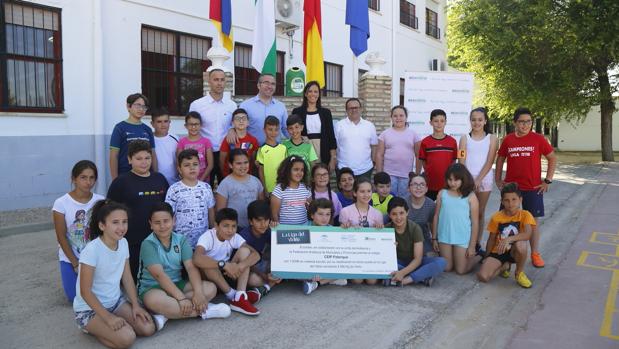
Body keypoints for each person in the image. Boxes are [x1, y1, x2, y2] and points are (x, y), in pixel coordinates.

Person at [73, 200, 155, 348]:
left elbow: (127, 277)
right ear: (102, 225)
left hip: (115, 302)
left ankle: (110, 326)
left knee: (147, 328)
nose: (121, 227)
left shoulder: (123, 243)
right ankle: (89, 327)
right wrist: (108, 318)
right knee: (128, 338)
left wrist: (136, 305)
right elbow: (85, 292)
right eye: (115, 222)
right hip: (88, 309)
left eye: (124, 222)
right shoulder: (92, 250)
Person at [138, 203, 230, 332]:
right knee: (155, 301)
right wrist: (181, 298)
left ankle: (166, 315)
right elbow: (159, 275)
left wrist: (198, 293)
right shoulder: (148, 243)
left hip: (177, 283)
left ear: (174, 220)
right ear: (150, 224)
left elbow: (191, 268)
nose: (162, 226)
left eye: (166, 221)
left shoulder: (180, 239)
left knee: (210, 288)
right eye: (157, 222)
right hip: (152, 287)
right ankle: (205, 311)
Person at [495, 107, 557, 268]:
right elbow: (500, 158)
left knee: (532, 223)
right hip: (511, 189)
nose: (525, 125)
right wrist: (498, 179)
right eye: (522, 122)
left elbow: (552, 158)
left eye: (528, 121)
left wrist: (547, 180)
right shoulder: (508, 139)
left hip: (532, 188)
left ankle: (535, 254)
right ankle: (501, 252)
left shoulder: (538, 139)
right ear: (515, 122)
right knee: (504, 221)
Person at [107, 140, 169, 278]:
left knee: (161, 276)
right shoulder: (121, 182)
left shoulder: (160, 179)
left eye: (147, 158)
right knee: (137, 278)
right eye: (138, 158)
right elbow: (110, 211)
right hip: (133, 242)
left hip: (158, 239)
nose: (144, 162)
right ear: (129, 159)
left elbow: (168, 207)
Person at [193, 208, 262, 316]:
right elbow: (196, 258)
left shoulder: (234, 237)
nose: (230, 230)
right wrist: (224, 265)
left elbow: (256, 255)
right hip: (212, 278)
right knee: (208, 264)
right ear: (216, 226)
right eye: (226, 226)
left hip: (228, 273)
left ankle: (240, 296)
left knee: (245, 252)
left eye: (233, 226)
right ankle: (231, 295)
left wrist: (239, 266)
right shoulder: (207, 236)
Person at [52, 160, 105, 302]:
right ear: (74, 179)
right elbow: (61, 236)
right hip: (71, 259)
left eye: (92, 177)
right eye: (83, 177)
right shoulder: (61, 203)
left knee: (101, 295)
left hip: (96, 258)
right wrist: (75, 263)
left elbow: (105, 233)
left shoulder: (100, 201)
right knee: (75, 298)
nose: (88, 182)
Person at [477, 183, 534, 288]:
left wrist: (508, 239)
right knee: (483, 277)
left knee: (521, 244)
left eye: (514, 199)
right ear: (502, 202)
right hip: (499, 250)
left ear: (520, 200)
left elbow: (527, 235)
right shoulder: (496, 217)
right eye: (507, 200)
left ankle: (519, 273)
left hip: (514, 251)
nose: (510, 204)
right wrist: (487, 256)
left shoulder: (525, 215)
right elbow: (491, 239)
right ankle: (505, 266)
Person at [459, 107, 498, 254]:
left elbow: (490, 161)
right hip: (466, 180)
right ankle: (464, 241)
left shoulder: (492, 139)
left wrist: (479, 179)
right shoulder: (464, 138)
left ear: (485, 121)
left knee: (479, 213)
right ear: (470, 121)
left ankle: (476, 243)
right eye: (474, 119)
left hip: (484, 180)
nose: (477, 122)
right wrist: (469, 181)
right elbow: (461, 159)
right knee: (467, 213)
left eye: (480, 120)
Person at [189, 68, 237, 187]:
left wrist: (232, 129)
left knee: (226, 186)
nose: (219, 83)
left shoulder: (232, 105)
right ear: (209, 81)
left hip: (225, 153)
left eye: (222, 80)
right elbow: (192, 127)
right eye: (216, 79)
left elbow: (235, 125)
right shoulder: (197, 105)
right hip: (204, 153)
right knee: (203, 186)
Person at [385, 197, 447, 287]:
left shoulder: (415, 228)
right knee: (386, 266)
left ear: (407, 212)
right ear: (389, 215)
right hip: (398, 263)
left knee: (441, 262)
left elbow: (418, 259)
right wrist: (390, 249)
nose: (398, 218)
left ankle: (405, 280)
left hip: (415, 262)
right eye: (394, 214)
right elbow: (384, 257)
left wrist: (402, 273)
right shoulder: (387, 229)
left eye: (401, 213)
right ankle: (422, 277)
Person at [432, 164, 481, 274]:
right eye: (450, 180)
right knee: (447, 267)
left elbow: (475, 222)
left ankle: (478, 257)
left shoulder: (471, 196)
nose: (452, 183)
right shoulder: (442, 193)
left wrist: (472, 246)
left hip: (462, 237)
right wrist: (434, 238)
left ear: (463, 179)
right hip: (445, 235)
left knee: (461, 270)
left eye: (456, 180)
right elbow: (436, 216)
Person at [165, 149, 216, 249]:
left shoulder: (206, 187)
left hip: (203, 242)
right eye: (187, 165)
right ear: (179, 169)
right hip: (180, 242)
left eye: (195, 164)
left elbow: (211, 211)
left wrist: (213, 232)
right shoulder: (174, 189)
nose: (192, 168)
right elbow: (169, 215)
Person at [340, 178, 384, 285]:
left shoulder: (377, 214)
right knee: (357, 280)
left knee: (371, 281)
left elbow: (381, 240)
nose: (366, 195)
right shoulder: (345, 211)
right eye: (362, 191)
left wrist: (380, 229)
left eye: (369, 191)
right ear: (355, 193)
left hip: (371, 254)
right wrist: (345, 228)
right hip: (353, 253)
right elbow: (341, 238)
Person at [302, 198, 348, 295]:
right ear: (312, 215)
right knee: (297, 274)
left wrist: (347, 231)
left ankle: (317, 283)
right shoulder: (303, 229)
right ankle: (328, 280)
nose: (324, 218)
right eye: (320, 214)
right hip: (308, 265)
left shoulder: (332, 230)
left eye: (328, 214)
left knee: (345, 268)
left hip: (325, 264)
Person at [291, 81, 338, 173]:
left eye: (316, 92)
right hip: (304, 149)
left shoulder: (326, 113)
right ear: (305, 94)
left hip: (323, 149)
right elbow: (294, 133)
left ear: (319, 94)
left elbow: (331, 136)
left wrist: (333, 158)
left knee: (322, 178)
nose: (313, 94)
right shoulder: (297, 112)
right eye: (310, 91)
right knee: (305, 178)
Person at [238, 200, 281, 298]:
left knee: (281, 270)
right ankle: (268, 285)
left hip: (264, 264)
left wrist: (277, 230)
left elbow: (280, 248)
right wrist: (264, 276)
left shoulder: (268, 230)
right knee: (253, 280)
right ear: (250, 221)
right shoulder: (244, 236)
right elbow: (248, 263)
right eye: (258, 220)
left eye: (266, 220)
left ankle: (266, 286)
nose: (263, 224)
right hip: (249, 269)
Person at [376, 106, 422, 198]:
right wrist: (379, 174)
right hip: (389, 175)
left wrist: (417, 175)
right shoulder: (384, 134)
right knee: (389, 202)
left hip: (406, 176)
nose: (398, 118)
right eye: (395, 116)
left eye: (401, 115)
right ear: (391, 117)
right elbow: (379, 155)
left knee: (404, 203)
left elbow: (418, 156)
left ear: (406, 117)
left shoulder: (414, 134)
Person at [109, 93, 157, 179]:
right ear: (128, 106)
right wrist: (115, 179)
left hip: (146, 175)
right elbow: (114, 155)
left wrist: (156, 176)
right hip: (125, 175)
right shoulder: (120, 128)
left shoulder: (147, 129)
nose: (141, 109)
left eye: (144, 107)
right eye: (138, 105)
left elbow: (153, 154)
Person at [216, 149, 265, 230]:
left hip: (254, 228)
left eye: (246, 162)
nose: (243, 166)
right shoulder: (225, 184)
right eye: (238, 163)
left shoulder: (256, 181)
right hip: (235, 229)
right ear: (230, 165)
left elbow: (261, 205)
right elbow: (221, 211)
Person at [418, 109, 458, 201]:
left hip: (447, 184)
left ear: (446, 122)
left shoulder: (452, 142)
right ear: (430, 122)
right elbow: (423, 161)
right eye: (436, 121)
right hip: (430, 184)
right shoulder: (425, 142)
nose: (439, 124)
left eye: (442, 121)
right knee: (430, 210)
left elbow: (453, 161)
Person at [334, 98, 378, 181]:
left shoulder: (369, 126)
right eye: (351, 108)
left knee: (363, 193)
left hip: (365, 170)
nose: (354, 110)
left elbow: (374, 145)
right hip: (344, 169)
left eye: (356, 107)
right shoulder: (339, 125)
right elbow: (334, 146)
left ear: (361, 109)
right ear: (346, 110)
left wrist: (373, 162)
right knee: (345, 194)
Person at [239, 73, 288, 145]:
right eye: (266, 83)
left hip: (275, 152)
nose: (270, 86)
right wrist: (231, 131)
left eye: (273, 84)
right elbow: (239, 127)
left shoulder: (281, 106)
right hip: (252, 151)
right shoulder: (245, 106)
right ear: (258, 85)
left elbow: (285, 128)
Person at [270, 155, 312, 226]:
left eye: (302, 170)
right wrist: (278, 229)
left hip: (304, 228)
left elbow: (310, 209)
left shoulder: (306, 188)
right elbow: (274, 214)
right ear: (287, 171)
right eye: (296, 169)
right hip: (286, 230)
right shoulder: (279, 189)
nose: (299, 173)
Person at [219, 108, 259, 177]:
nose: (241, 121)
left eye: (244, 118)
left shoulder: (253, 140)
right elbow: (222, 160)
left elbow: (253, 160)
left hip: (247, 176)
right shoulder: (228, 139)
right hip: (231, 176)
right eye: (237, 119)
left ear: (248, 122)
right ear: (232, 123)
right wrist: (225, 175)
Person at [177, 111, 214, 183]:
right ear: (186, 126)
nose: (193, 127)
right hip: (187, 181)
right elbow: (178, 163)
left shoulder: (206, 142)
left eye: (196, 124)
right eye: (190, 124)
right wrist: (186, 180)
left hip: (203, 181)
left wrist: (201, 180)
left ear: (201, 125)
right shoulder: (182, 142)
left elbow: (210, 165)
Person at [256, 115, 288, 196]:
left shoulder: (283, 148)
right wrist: (264, 188)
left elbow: (286, 168)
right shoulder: (262, 149)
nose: (273, 133)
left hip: (282, 188)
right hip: (269, 190)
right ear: (264, 130)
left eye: (276, 130)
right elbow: (261, 171)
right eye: (270, 129)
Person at [407, 173, 436, 255]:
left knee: (434, 259)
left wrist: (434, 240)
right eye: (415, 184)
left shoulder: (431, 205)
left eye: (422, 185)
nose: (418, 187)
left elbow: (432, 224)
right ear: (409, 188)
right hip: (405, 239)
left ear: (426, 189)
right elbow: (389, 218)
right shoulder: (403, 202)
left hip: (424, 239)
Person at [150, 107, 179, 185]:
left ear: (170, 122)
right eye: (159, 122)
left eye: (166, 121)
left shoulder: (176, 139)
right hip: (155, 182)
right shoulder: (149, 140)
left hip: (174, 182)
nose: (163, 125)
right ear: (152, 124)